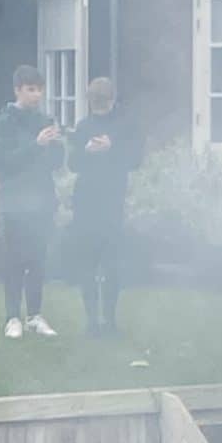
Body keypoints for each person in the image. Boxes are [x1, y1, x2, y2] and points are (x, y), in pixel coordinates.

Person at [0, 65, 64, 339]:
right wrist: (36, 145)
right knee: (15, 260)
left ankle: (35, 315)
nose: (36, 95)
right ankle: (12, 317)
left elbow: (56, 163)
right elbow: (5, 163)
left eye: (39, 89)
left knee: (38, 259)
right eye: (30, 89)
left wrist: (55, 146)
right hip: (15, 202)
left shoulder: (45, 120)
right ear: (17, 89)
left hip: (42, 201)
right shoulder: (4, 123)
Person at [68, 77, 144, 338]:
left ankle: (110, 321)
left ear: (112, 101)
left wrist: (112, 149)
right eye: (94, 105)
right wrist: (86, 151)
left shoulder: (126, 126)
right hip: (86, 203)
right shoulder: (83, 127)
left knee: (112, 264)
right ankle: (91, 321)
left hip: (112, 202)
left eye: (102, 104)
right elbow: (72, 163)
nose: (98, 109)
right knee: (86, 264)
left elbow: (136, 159)